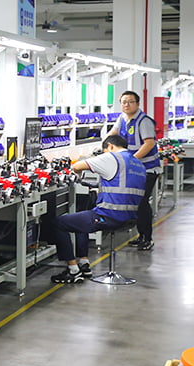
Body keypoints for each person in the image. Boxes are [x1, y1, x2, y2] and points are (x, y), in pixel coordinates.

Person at [50, 135, 147, 284]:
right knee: (81, 218)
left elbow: (76, 167)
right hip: (131, 218)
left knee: (58, 223)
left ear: (110, 146)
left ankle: (73, 270)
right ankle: (84, 264)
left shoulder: (112, 157)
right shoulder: (138, 163)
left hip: (110, 215)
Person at [108, 90, 160, 251]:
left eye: (130, 102)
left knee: (142, 202)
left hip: (148, 169)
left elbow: (149, 143)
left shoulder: (144, 121)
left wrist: (132, 160)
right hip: (134, 169)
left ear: (137, 104)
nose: (126, 105)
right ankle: (141, 235)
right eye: (124, 102)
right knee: (136, 202)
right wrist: (105, 147)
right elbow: (113, 134)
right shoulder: (122, 118)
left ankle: (147, 238)